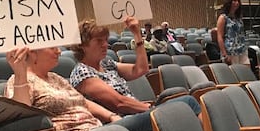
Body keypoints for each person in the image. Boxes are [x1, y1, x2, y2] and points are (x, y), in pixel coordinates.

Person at [4, 45, 157, 131]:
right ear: (32, 52)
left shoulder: (55, 78)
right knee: (159, 117)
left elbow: (83, 102)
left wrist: (112, 117)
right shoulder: (19, 82)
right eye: (52, 48)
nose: (59, 51)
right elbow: (22, 120)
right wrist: (20, 74)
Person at [69, 17, 201, 117]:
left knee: (185, 107)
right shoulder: (82, 72)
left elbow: (141, 69)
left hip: (137, 114)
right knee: (187, 103)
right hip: (121, 122)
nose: (105, 45)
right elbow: (119, 103)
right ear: (82, 45)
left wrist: (137, 34)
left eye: (106, 40)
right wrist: (150, 109)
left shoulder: (107, 64)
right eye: (99, 41)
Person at [216, 0, 248, 65]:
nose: (237, 3)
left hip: (242, 49)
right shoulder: (223, 18)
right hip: (230, 51)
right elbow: (220, 37)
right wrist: (225, 54)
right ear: (229, 2)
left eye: (238, 1)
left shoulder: (239, 18)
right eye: (234, 0)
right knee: (235, 74)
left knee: (246, 73)